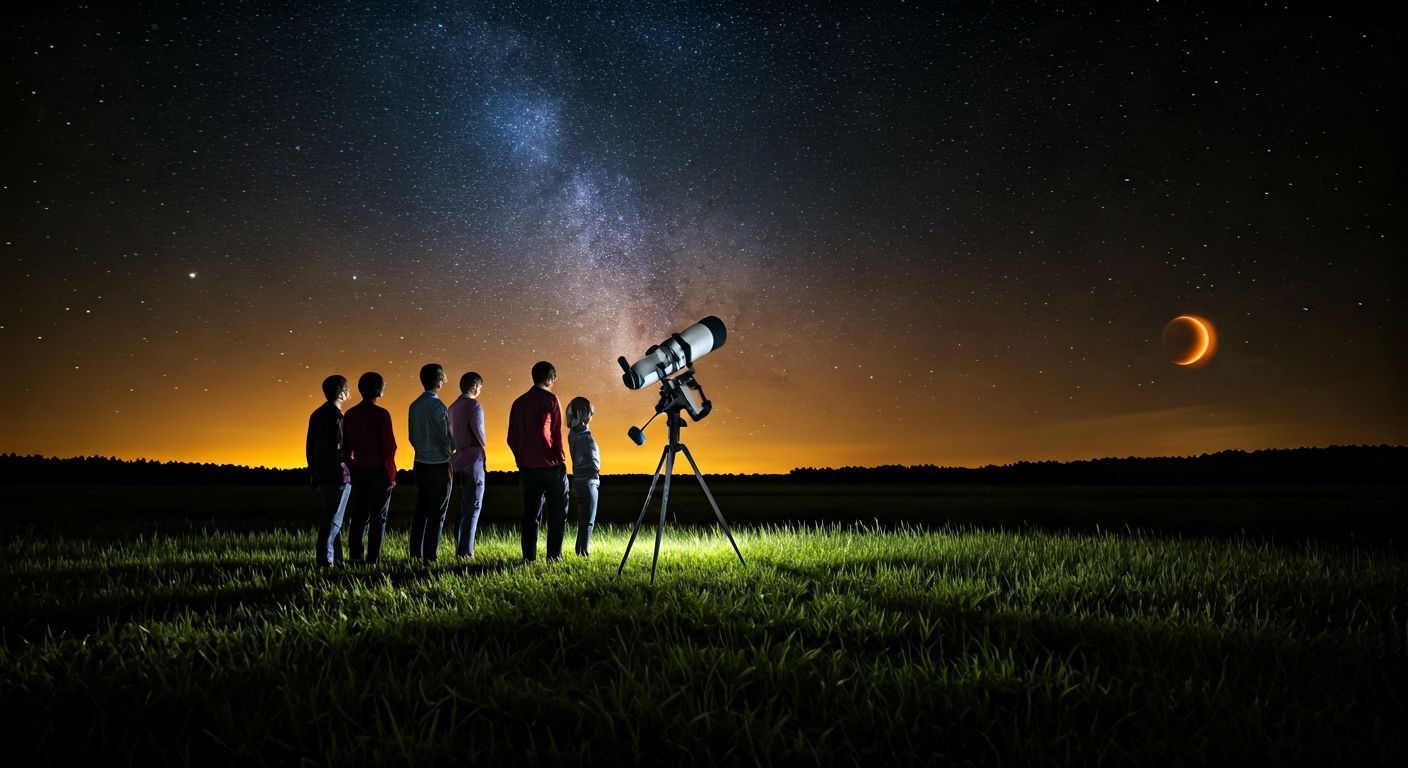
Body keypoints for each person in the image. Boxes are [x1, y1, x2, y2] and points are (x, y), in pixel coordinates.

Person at [506, 361, 568, 562]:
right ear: (551, 378)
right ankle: (553, 556)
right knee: (557, 514)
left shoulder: (518, 402)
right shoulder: (551, 399)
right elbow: (556, 433)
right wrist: (559, 459)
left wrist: (520, 458)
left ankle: (529, 558)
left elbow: (511, 438)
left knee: (530, 515)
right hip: (550, 467)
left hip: (527, 468)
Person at [342, 371, 397, 566]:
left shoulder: (350, 414)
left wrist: (352, 467)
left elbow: (346, 447)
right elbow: (389, 447)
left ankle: (355, 557)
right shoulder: (382, 414)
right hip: (379, 471)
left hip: (359, 471)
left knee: (358, 516)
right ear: (378, 389)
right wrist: (391, 475)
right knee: (378, 518)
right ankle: (373, 559)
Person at [408, 363, 453, 562]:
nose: (446, 380)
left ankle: (415, 553)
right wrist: (451, 448)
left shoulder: (414, 405)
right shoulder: (438, 406)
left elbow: (411, 436)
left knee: (421, 510)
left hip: (420, 463)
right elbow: (445, 437)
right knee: (437, 512)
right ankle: (430, 556)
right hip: (439, 465)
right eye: (443, 377)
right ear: (439, 380)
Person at [306, 374, 351, 568]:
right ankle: (325, 561)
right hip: (337, 474)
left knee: (333, 518)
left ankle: (337, 560)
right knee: (334, 520)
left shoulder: (316, 414)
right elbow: (340, 447)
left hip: (321, 474)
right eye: (347, 389)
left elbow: (310, 448)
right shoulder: (337, 417)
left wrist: (314, 471)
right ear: (341, 393)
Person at [448, 371, 487, 561]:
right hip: (473, 458)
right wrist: (483, 452)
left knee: (464, 506)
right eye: (480, 387)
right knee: (474, 506)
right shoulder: (474, 405)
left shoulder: (452, 407)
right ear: (474, 386)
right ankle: (466, 552)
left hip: (458, 459)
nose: (480, 390)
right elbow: (479, 433)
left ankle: (460, 546)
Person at [566, 396, 601, 557]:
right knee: (588, 521)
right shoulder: (584, 437)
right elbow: (588, 460)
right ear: (584, 414)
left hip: (579, 481)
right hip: (588, 481)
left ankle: (580, 550)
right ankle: (584, 552)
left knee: (583, 519)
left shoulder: (572, 434)